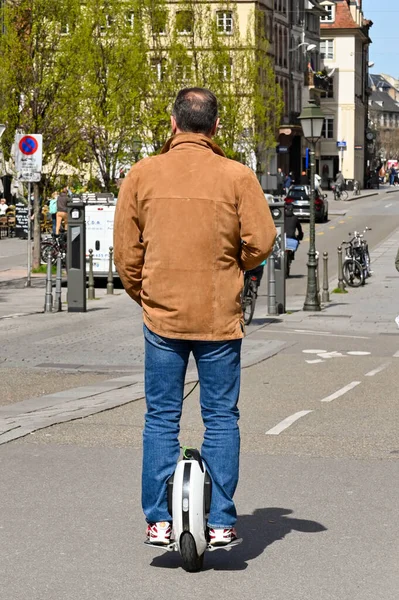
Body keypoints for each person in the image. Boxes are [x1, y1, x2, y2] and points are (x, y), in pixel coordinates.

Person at [114, 87, 276, 547]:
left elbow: (126, 254)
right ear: (216, 127)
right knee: (222, 416)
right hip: (218, 316)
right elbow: (262, 240)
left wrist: (146, 294)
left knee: (162, 417)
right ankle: (221, 520)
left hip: (162, 316)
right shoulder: (237, 176)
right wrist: (234, 268)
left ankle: (160, 520)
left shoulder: (143, 174)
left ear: (173, 123)